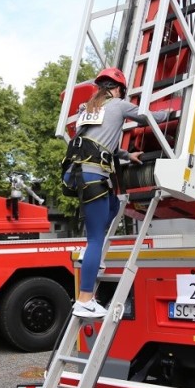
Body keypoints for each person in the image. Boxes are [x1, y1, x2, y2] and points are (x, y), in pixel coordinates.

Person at [62, 67, 171, 318]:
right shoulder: (119, 105)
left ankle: (92, 258)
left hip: (79, 174)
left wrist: (125, 155)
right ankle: (85, 299)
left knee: (112, 206)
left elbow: (100, 142)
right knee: (95, 240)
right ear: (119, 88)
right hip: (94, 176)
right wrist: (174, 113)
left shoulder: (88, 109)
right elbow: (149, 117)